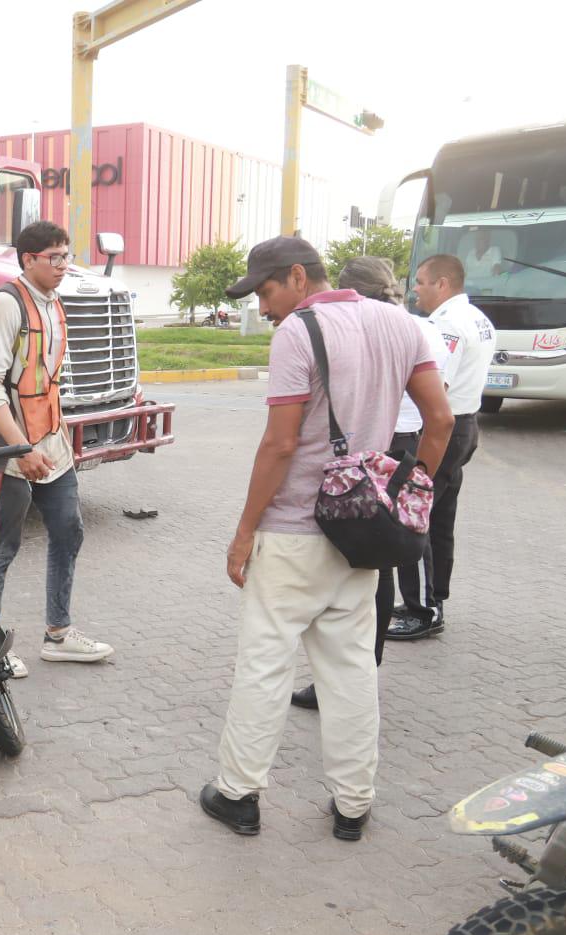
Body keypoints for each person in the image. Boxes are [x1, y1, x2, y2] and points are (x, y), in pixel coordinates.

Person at [200, 236, 452, 841]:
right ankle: (352, 805)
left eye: (265, 292)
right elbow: (440, 420)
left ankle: (239, 796)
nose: (263, 307)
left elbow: (281, 444)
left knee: (264, 666)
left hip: (291, 535)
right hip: (361, 533)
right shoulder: (401, 324)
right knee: (351, 670)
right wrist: (408, 494)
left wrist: (243, 533)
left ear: (296, 276)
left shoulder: (298, 333)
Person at [291, 256, 448, 709]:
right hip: (402, 445)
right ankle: (357, 673)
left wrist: (413, 483)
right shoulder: (414, 324)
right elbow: (443, 408)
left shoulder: (362, 324)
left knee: (360, 561)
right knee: (376, 561)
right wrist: (418, 484)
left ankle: (347, 677)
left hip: (381, 445)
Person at [0, 220, 113, 677]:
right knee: (0, 546)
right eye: (55, 257)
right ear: (28, 259)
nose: (64, 266)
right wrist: (20, 449)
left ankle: (58, 634)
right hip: (10, 451)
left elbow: (46, 383)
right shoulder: (5, 305)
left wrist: (59, 438)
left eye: (67, 256)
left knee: (69, 529)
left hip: (51, 444)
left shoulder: (53, 303)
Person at [388, 255, 496, 641]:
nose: (414, 289)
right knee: (439, 520)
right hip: (467, 425)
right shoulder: (478, 318)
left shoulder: (447, 325)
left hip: (444, 430)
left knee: (413, 517)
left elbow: (437, 390)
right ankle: (435, 598)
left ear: (443, 284)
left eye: (420, 282)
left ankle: (424, 609)